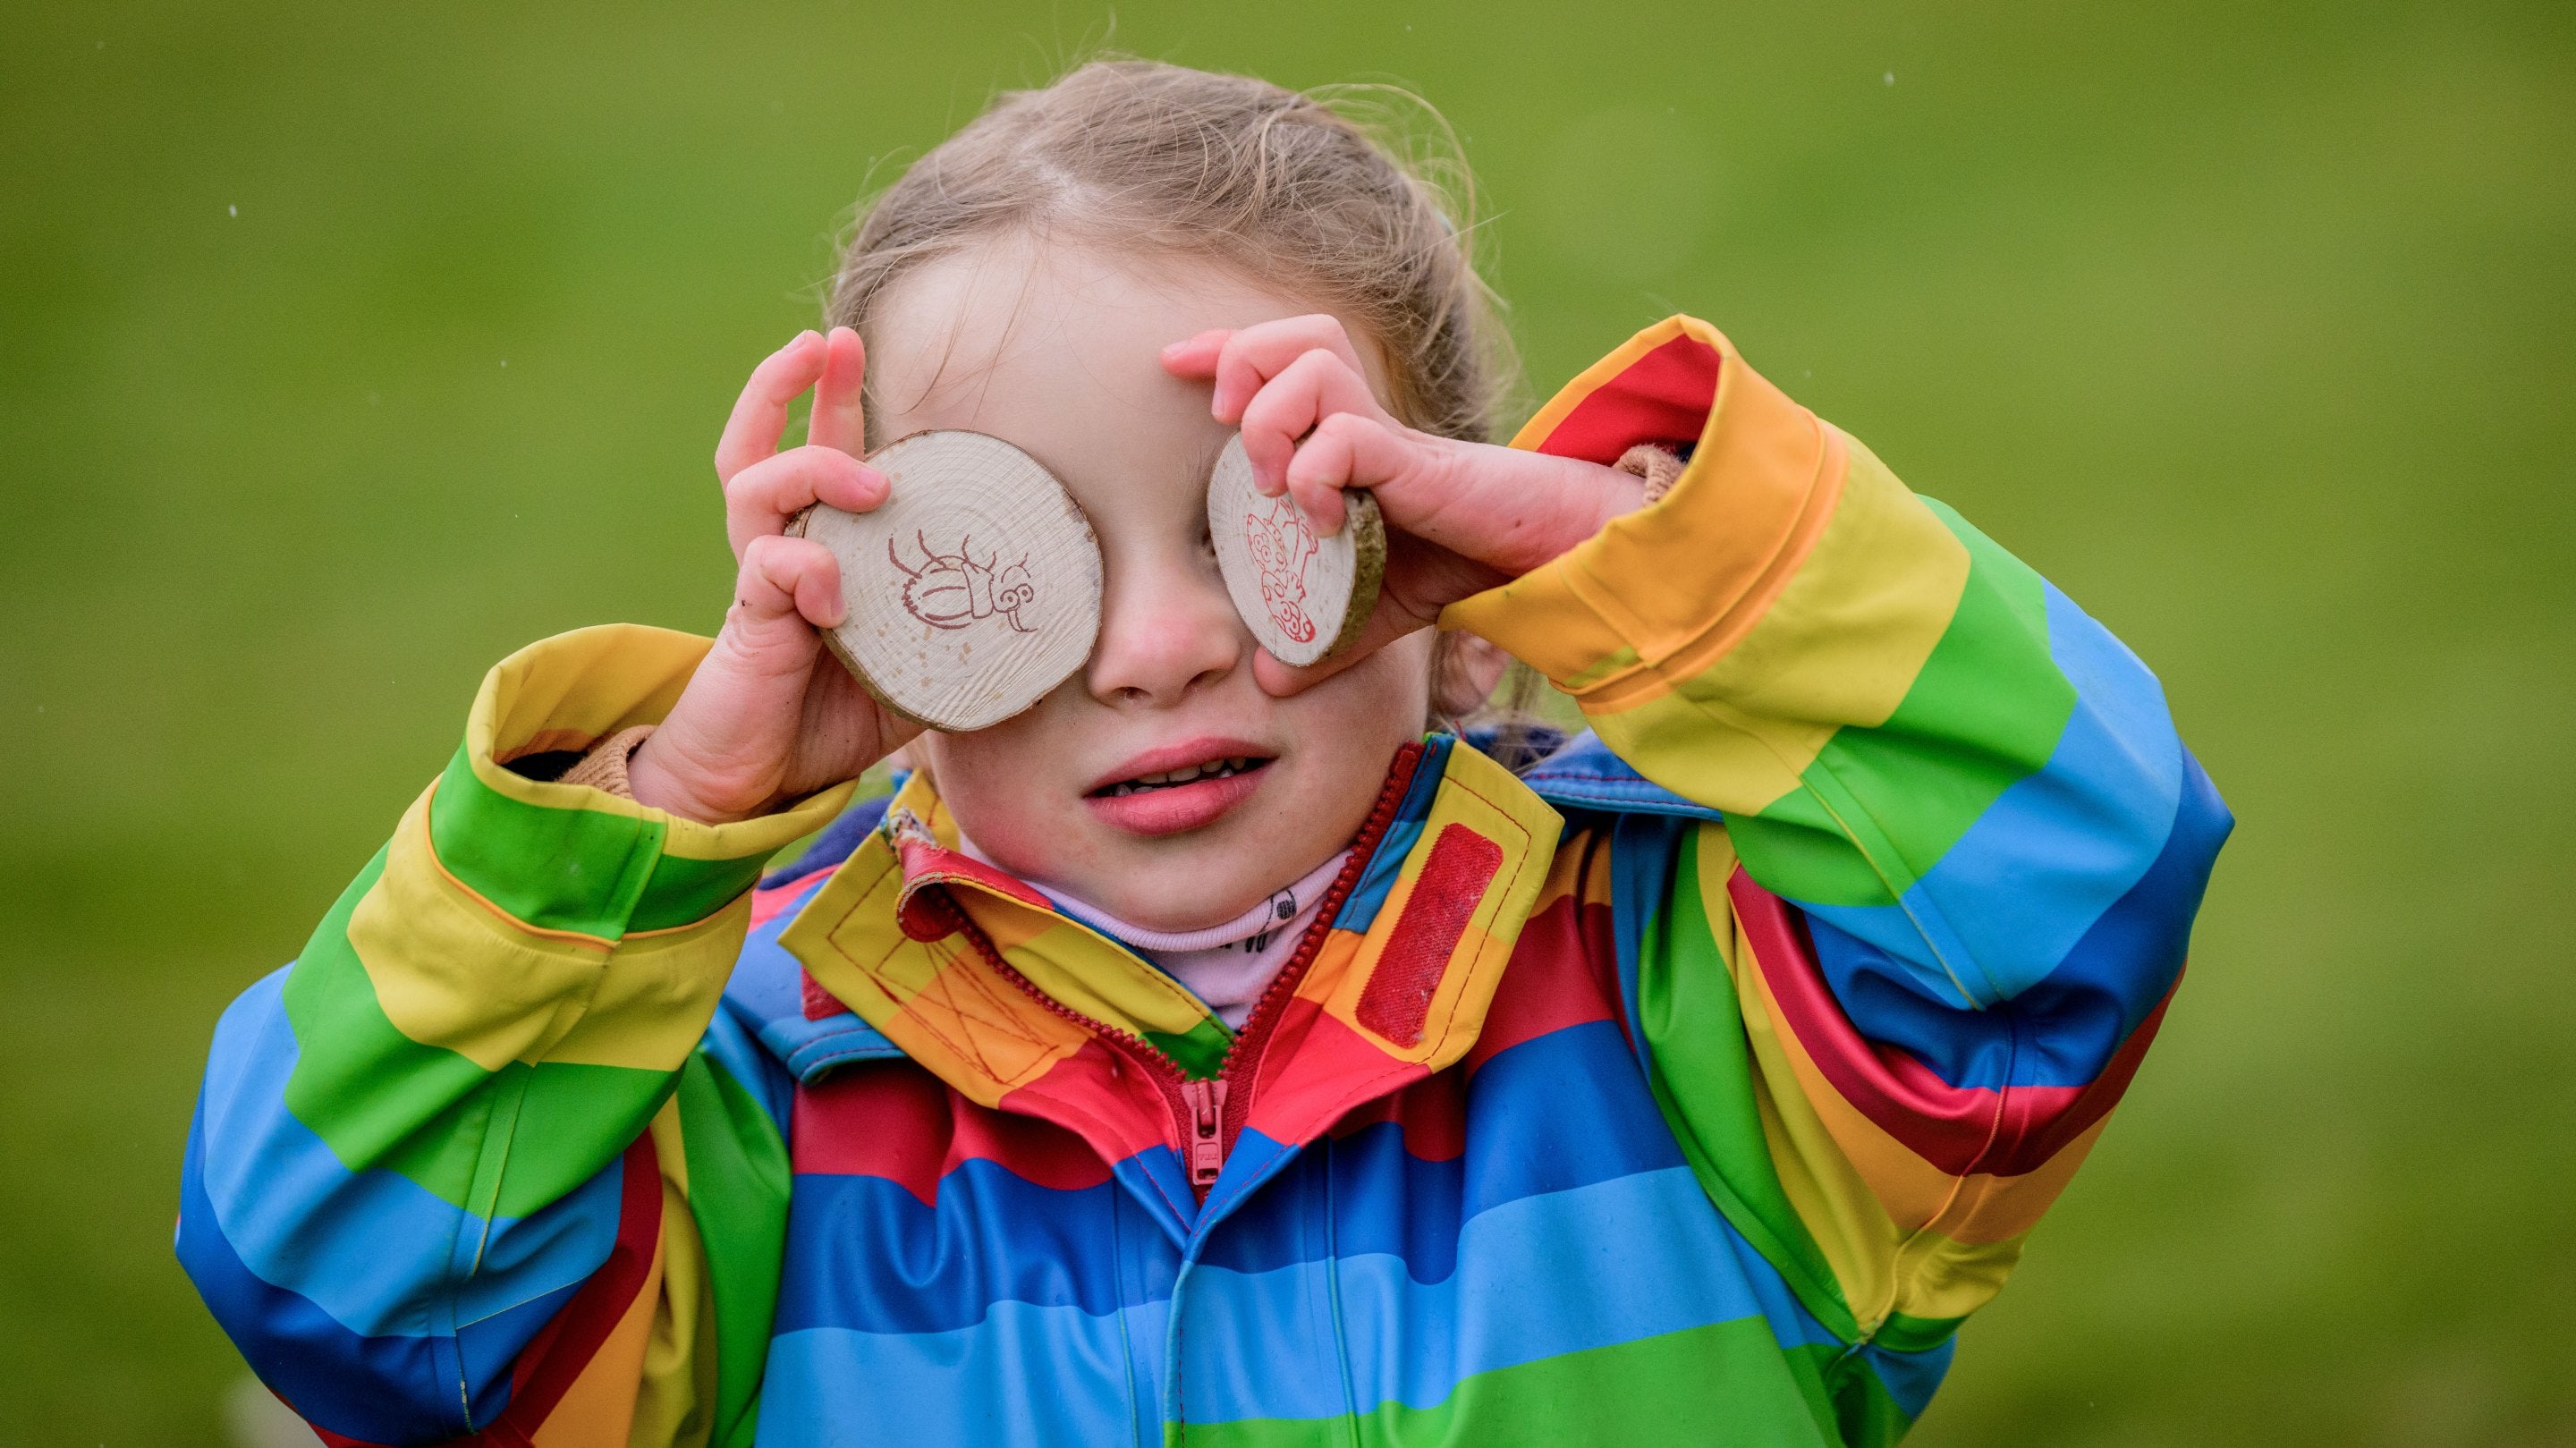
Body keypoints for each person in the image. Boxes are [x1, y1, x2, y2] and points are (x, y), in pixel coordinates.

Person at [177, 59, 2231, 1448]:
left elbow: (2081, 860)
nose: (1161, 648)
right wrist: (666, 823)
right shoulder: (739, 1094)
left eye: (1255, 515)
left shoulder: (1702, 1006)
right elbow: (346, 1285)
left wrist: (1628, 556)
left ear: (1418, 519)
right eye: (1025, 560)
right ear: (883, 592)